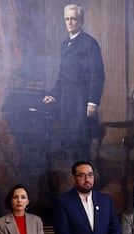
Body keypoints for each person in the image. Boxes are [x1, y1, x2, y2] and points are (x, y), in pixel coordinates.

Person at [43, 4, 105, 163]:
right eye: (67, 19)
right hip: (67, 103)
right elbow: (62, 76)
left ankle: (86, 182)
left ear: (81, 21)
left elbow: (97, 74)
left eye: (73, 19)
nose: (69, 23)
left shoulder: (90, 43)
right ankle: (74, 179)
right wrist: (53, 95)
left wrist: (92, 101)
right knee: (69, 143)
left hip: (81, 102)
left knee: (82, 144)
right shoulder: (64, 45)